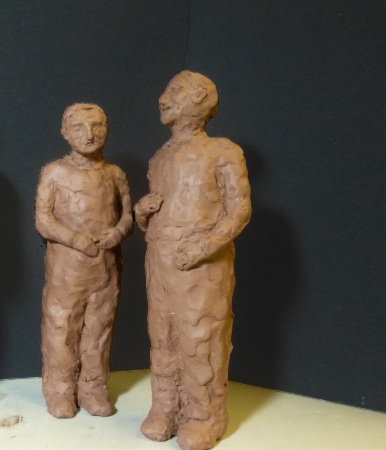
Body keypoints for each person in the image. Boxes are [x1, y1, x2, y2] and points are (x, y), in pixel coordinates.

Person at [136, 71, 251, 450]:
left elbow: (239, 210)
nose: (163, 98)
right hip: (160, 262)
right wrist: (141, 213)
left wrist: (203, 247)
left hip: (202, 268)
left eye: (175, 92)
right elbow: (158, 214)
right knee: (162, 335)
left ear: (200, 100)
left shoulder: (223, 152)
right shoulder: (160, 157)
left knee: (200, 337)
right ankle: (165, 408)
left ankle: (203, 416)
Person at [35, 103, 133, 418]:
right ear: (65, 133)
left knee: (99, 330)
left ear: (108, 130)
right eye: (79, 127)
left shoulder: (114, 174)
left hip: (105, 269)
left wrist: (117, 233)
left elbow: (127, 216)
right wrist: (76, 240)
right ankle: (60, 390)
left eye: (97, 126)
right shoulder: (54, 172)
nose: (89, 135)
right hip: (66, 269)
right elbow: (43, 221)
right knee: (62, 328)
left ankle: (93, 388)